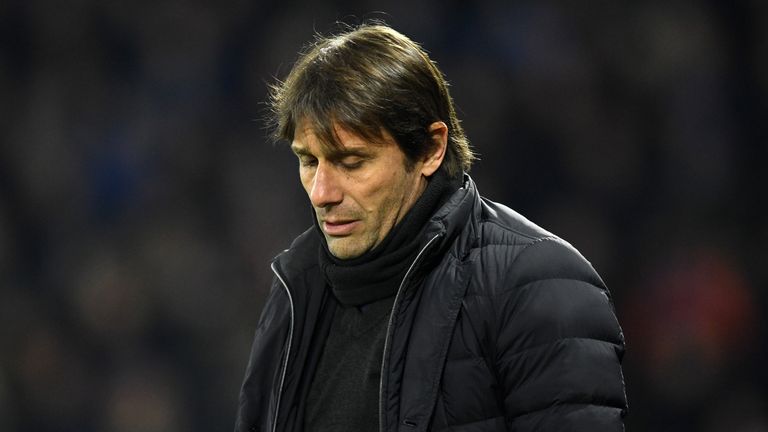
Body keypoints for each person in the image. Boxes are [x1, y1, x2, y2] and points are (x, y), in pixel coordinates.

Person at [235, 23, 627, 432]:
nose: (321, 193)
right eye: (309, 161)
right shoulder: (295, 290)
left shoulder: (539, 285)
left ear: (430, 149)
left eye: (352, 162)